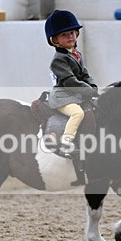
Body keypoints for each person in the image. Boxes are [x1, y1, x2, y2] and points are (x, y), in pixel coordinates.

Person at [45, 9, 98, 157]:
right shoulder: (58, 60)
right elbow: (70, 82)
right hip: (63, 96)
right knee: (77, 113)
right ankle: (66, 143)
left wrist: (92, 85)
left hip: (76, 94)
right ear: (54, 40)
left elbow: (85, 73)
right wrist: (89, 91)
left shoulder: (76, 54)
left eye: (72, 33)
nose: (70, 36)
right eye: (64, 34)